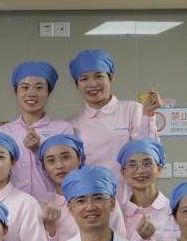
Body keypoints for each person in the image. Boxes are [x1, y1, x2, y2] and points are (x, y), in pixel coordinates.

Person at [66, 50, 162, 191]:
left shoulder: (132, 109)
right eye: (84, 79)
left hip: (132, 195)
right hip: (94, 197)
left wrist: (148, 114)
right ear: (77, 85)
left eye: (98, 76)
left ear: (110, 78)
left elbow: (149, 151)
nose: (92, 84)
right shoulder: (72, 124)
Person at [37, 134, 127, 241]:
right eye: (51, 161)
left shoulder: (103, 199)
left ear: (79, 158)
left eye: (65, 157)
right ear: (44, 168)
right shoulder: (44, 208)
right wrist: (50, 227)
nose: (59, 165)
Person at [2, 62, 74, 203]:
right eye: (25, 87)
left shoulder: (63, 129)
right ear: (16, 92)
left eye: (39, 87)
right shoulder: (4, 131)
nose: (31, 93)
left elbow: (70, 173)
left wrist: (39, 151)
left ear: (49, 92)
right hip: (14, 207)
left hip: (53, 206)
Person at [117, 139, 179, 241]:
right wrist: (139, 238)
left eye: (147, 164)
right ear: (123, 172)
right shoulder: (118, 214)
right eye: (132, 165)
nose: (140, 170)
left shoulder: (175, 210)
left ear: (159, 169)